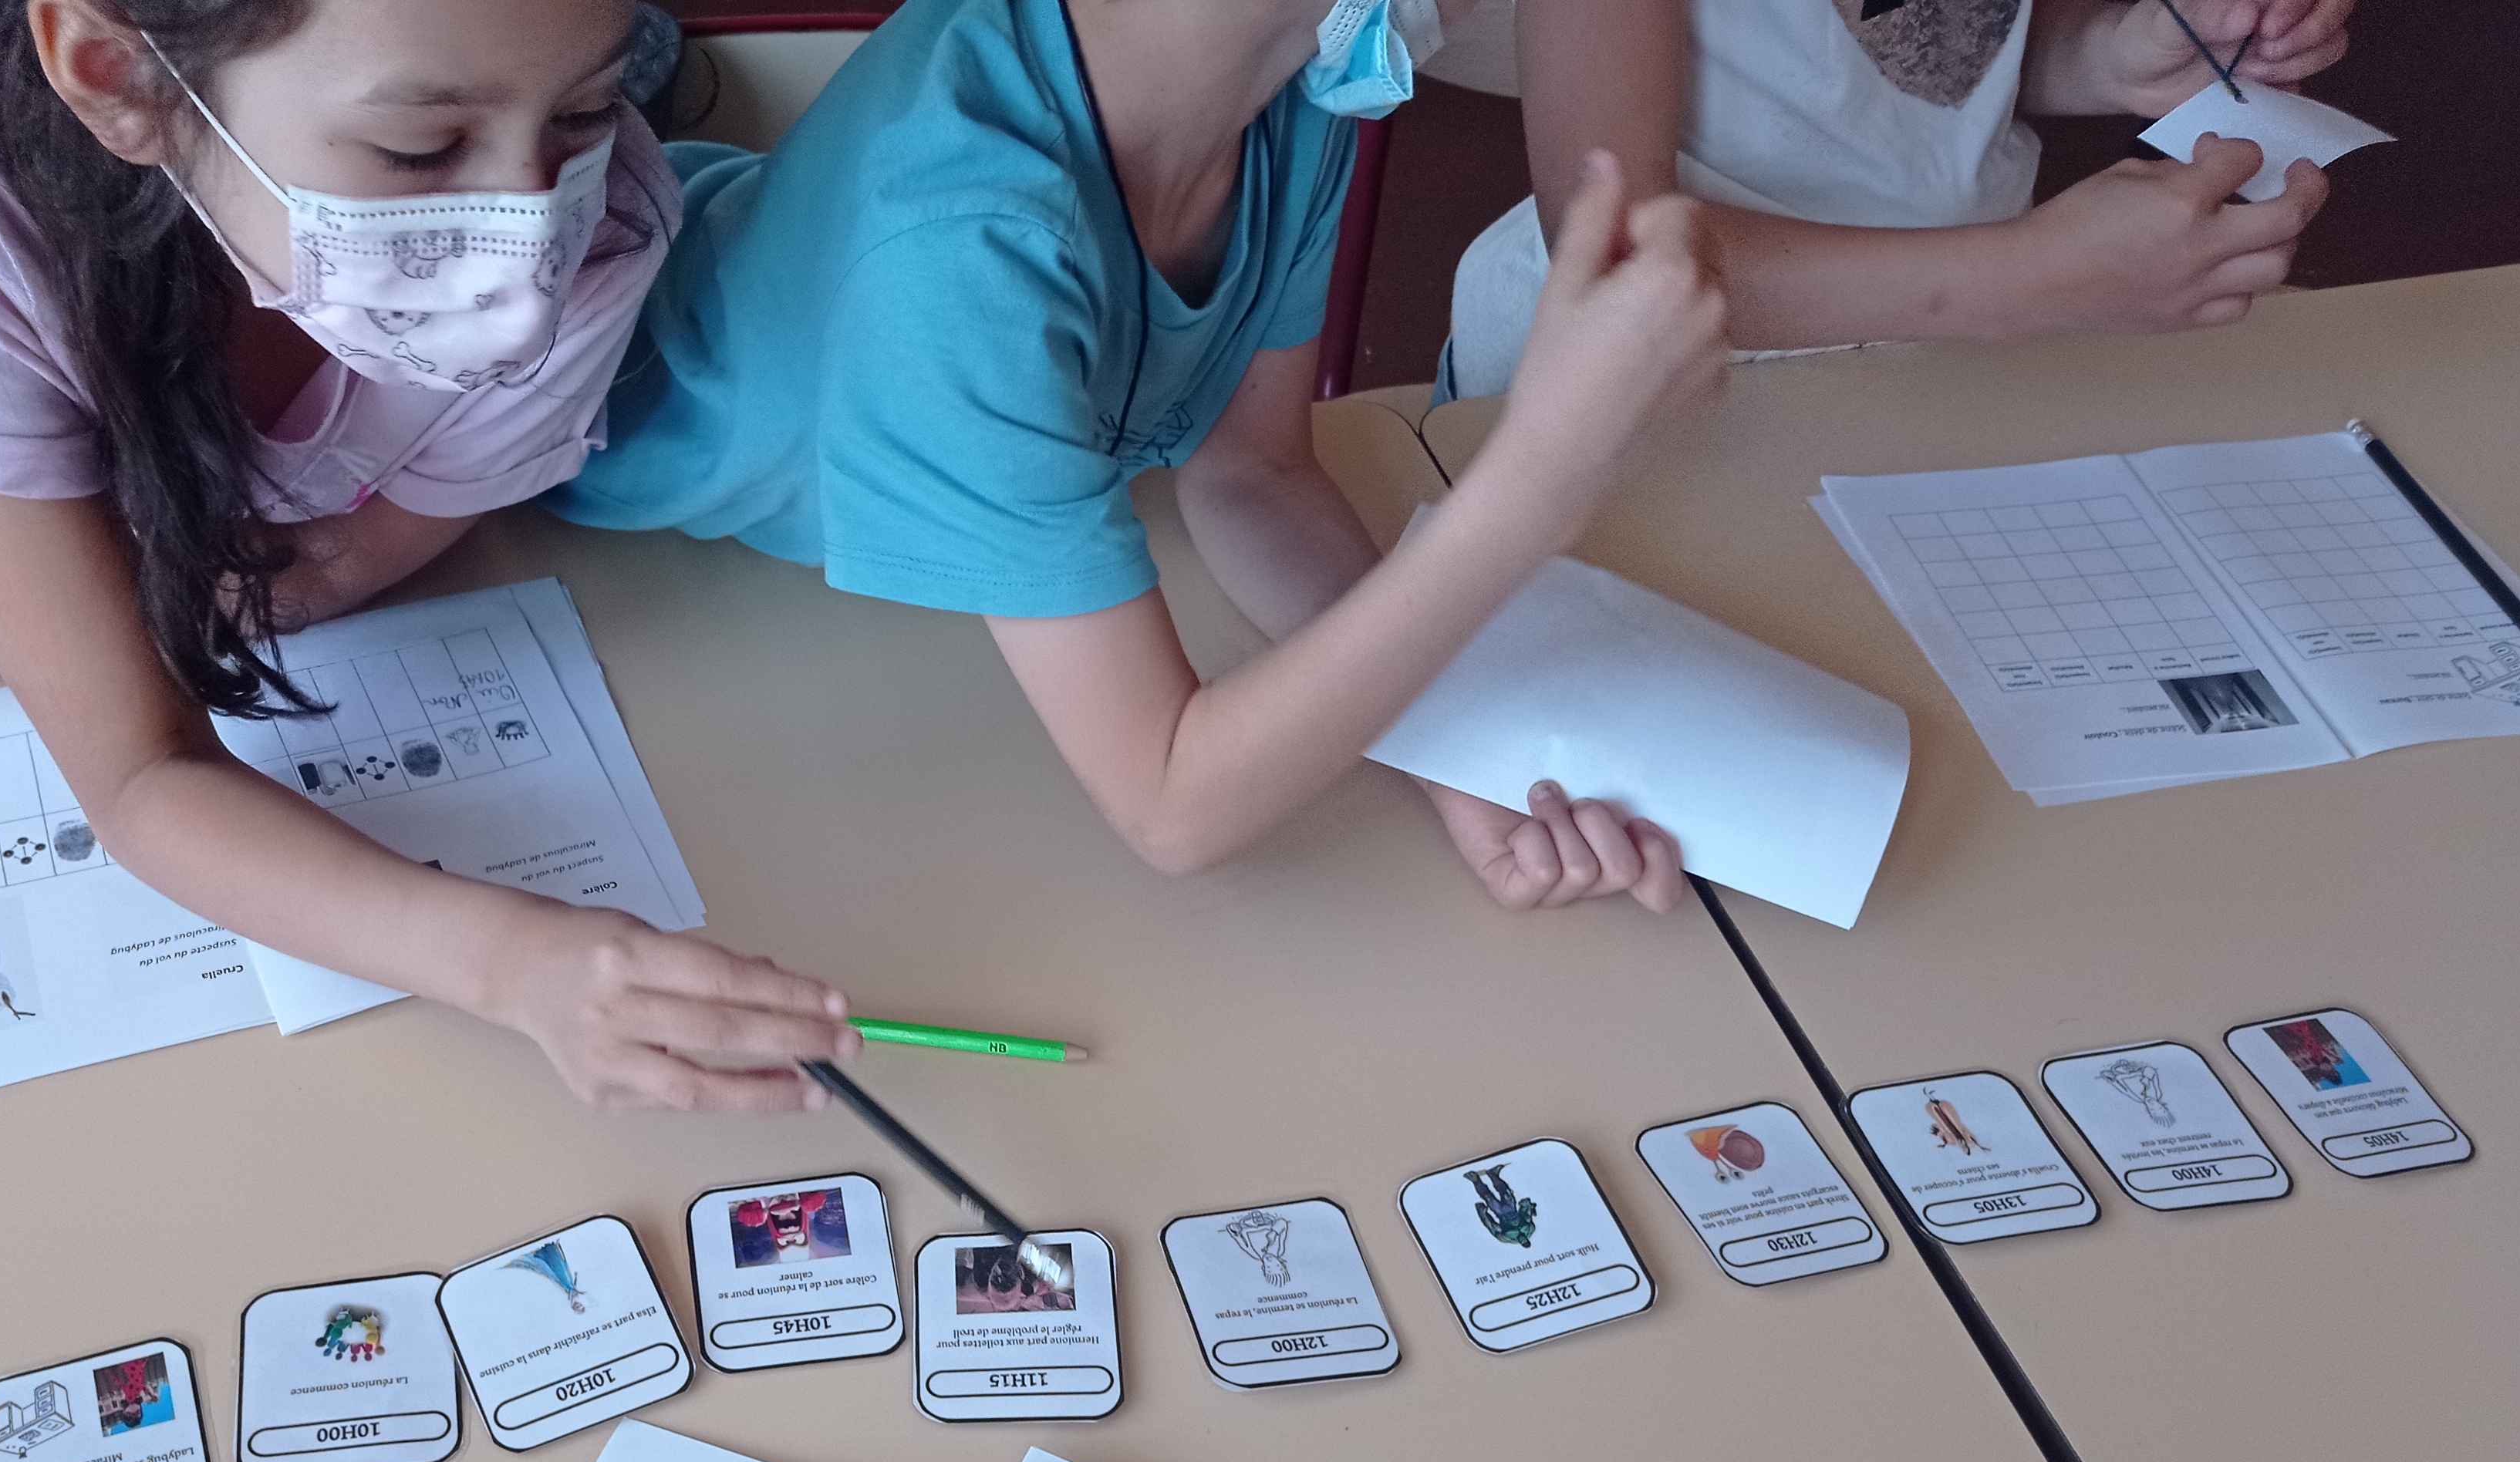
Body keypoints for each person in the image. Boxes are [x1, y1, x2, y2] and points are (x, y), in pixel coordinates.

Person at [0, 0, 859, 1113]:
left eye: (584, 109)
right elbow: (140, 768)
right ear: (119, 74)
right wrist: (509, 964)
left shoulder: (606, 223)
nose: (532, 226)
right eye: (418, 146)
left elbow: (339, 569)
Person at [552, 0, 1726, 910]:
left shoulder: (1292, 73)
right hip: (580, 513)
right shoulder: (960, 251)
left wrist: (1448, 751)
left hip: (771, 409)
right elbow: (1171, 802)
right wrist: (1535, 486)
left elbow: (1254, 475)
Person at [1436, 0, 2356, 393]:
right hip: (1635, 393)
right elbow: (1619, 255)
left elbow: (1921, 64)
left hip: (1937, 361)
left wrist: (2107, 56)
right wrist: (2032, 277)